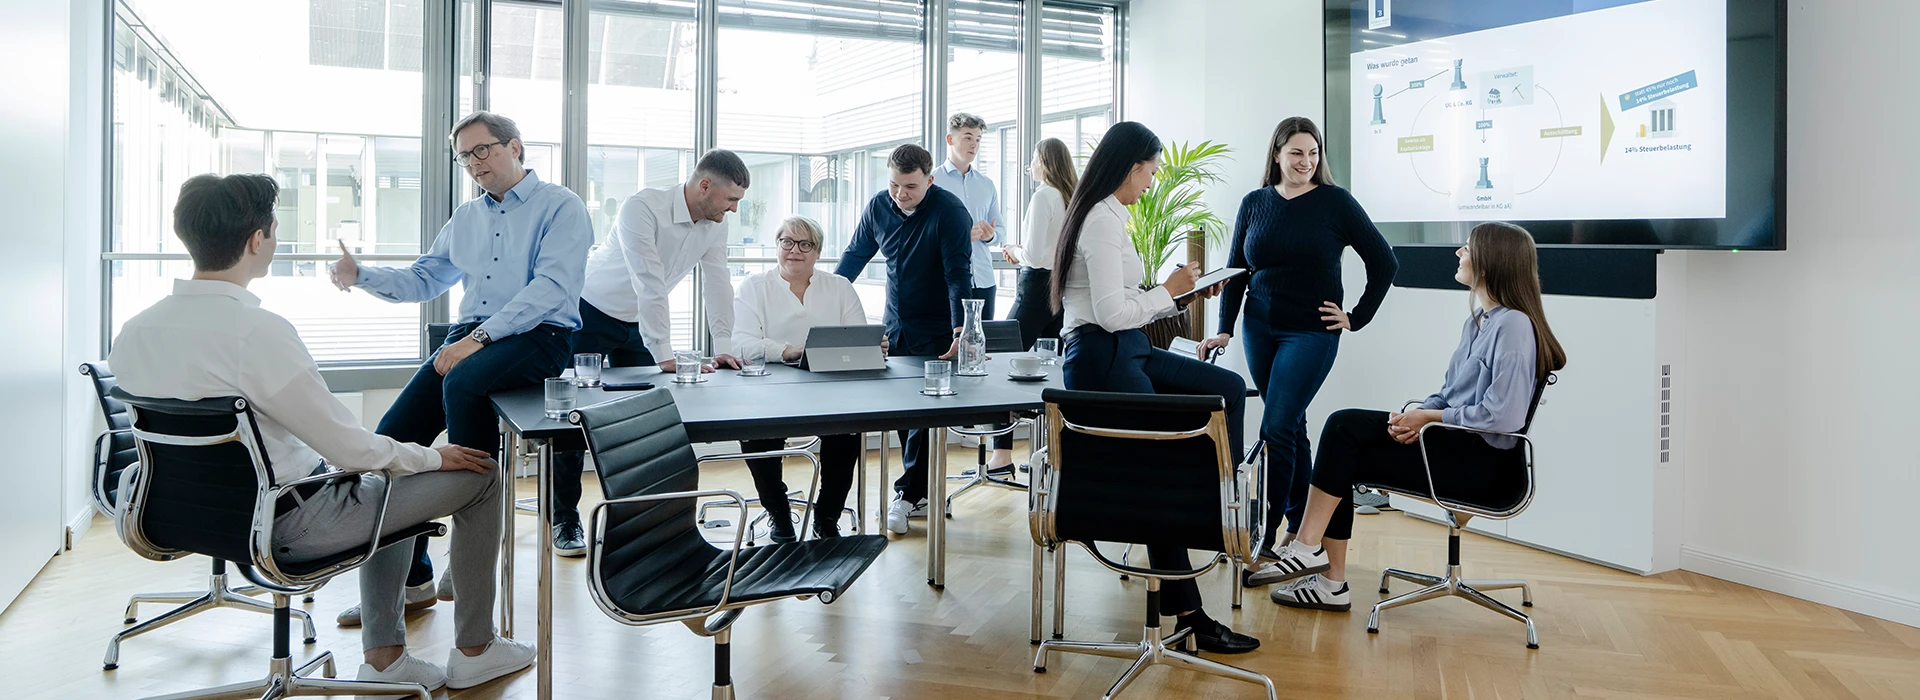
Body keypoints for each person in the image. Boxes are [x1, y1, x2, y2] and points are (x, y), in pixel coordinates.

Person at [115, 173, 531, 691]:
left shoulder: (133, 332)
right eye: (272, 229)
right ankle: (471, 650)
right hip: (289, 522)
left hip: (173, 514)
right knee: (473, 474)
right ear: (255, 241)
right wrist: (434, 457)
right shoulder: (257, 333)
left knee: (389, 470)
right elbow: (350, 449)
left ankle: (390, 653)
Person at [327, 110, 589, 626]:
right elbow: (426, 279)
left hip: (541, 334)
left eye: (483, 149)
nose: (474, 163)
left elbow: (551, 290)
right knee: (392, 439)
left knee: (465, 381)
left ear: (516, 147)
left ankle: (470, 558)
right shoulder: (466, 218)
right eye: (464, 156)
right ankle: (415, 579)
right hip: (468, 335)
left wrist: (479, 339)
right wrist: (361, 275)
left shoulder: (562, 206)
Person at [1263, 222, 1566, 612]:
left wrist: (1431, 418)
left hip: (1480, 465)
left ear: (1492, 261)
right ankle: (1328, 580)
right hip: (1450, 446)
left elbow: (1502, 416)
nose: (1458, 253)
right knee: (1344, 445)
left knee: (1343, 428)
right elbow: (1449, 392)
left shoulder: (1514, 326)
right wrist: (1413, 415)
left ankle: (1310, 550)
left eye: (1467, 248)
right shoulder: (1480, 322)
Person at [1050, 121, 1259, 654]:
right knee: (1154, 471)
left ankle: (1215, 496)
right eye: (1150, 170)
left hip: (1128, 345)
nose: (1152, 181)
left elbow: (1124, 303)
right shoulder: (1099, 219)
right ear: (1129, 166)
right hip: (1101, 353)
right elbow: (1109, 313)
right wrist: (1163, 292)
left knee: (1227, 390)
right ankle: (1189, 609)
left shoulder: (1111, 216)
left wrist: (1173, 296)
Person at [1200, 117, 1398, 588]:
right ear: (1276, 154)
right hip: (1260, 328)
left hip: (1311, 332)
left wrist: (1356, 315)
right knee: (1293, 427)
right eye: (1296, 153)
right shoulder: (1254, 203)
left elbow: (1384, 261)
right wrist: (1225, 329)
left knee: (1276, 426)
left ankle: (1263, 540)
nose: (1306, 162)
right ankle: (1297, 529)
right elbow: (1237, 270)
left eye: (1313, 153)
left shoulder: (1335, 202)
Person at [547, 149, 751, 555]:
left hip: (639, 323)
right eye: (731, 199)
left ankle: (643, 518)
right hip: (588, 313)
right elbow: (649, 280)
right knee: (571, 421)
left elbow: (717, 284)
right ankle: (565, 520)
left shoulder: (714, 225)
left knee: (644, 420)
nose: (733, 209)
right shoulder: (641, 207)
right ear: (704, 185)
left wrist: (724, 346)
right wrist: (664, 352)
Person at [833, 143, 972, 535]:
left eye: (910, 186)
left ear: (929, 180)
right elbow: (854, 257)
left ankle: (907, 494)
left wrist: (961, 329)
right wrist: (823, 301)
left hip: (937, 327)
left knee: (923, 415)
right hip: (895, 324)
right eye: (894, 184)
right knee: (902, 410)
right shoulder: (879, 206)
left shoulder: (950, 212)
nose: (900, 194)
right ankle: (920, 489)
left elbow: (957, 275)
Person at [733, 217, 872, 542]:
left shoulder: (839, 287)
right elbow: (739, 343)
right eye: (787, 242)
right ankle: (779, 514)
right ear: (777, 246)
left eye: (804, 244)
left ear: (818, 252)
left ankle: (827, 517)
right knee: (756, 435)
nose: (794, 250)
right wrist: (788, 351)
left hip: (829, 388)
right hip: (769, 389)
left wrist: (870, 344)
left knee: (847, 432)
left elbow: (858, 335)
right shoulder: (754, 287)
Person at [935, 113, 1020, 474]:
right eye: (967, 136)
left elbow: (998, 232)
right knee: (946, 353)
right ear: (951, 140)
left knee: (980, 360)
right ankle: (940, 440)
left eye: (978, 139)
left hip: (983, 278)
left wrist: (987, 234)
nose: (973, 144)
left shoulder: (986, 184)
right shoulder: (933, 180)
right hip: (945, 280)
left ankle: (988, 445)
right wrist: (959, 235)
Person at [1002, 137, 1075, 350]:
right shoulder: (1068, 196)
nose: (1030, 166)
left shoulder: (1043, 196)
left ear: (1042, 161)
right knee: (1051, 358)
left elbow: (1033, 257)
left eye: (1033, 159)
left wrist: (1014, 251)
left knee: (1003, 349)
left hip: (1037, 286)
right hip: (1061, 284)